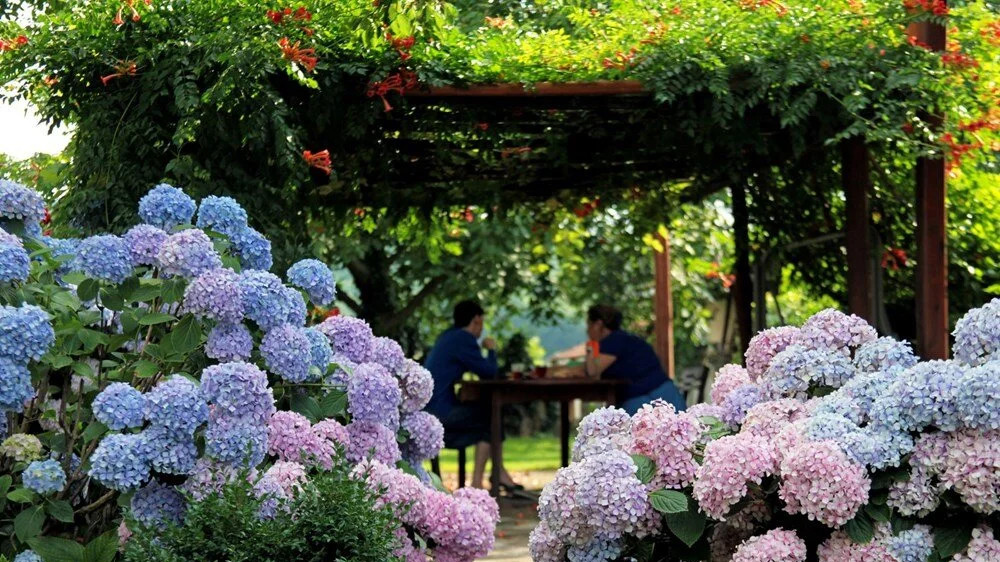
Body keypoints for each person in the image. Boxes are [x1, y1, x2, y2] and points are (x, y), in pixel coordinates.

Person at [424, 300, 522, 492]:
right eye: (482, 323)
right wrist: (491, 349)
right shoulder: (464, 339)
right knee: (490, 418)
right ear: (476, 320)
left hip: (430, 409)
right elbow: (489, 371)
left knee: (487, 417)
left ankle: (491, 476)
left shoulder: (448, 336)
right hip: (441, 412)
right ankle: (481, 482)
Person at [584, 304, 686, 415]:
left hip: (651, 401)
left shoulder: (613, 342)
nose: (587, 330)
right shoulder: (624, 339)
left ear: (598, 325)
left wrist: (591, 346)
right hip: (664, 397)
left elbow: (592, 371)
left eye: (589, 325)